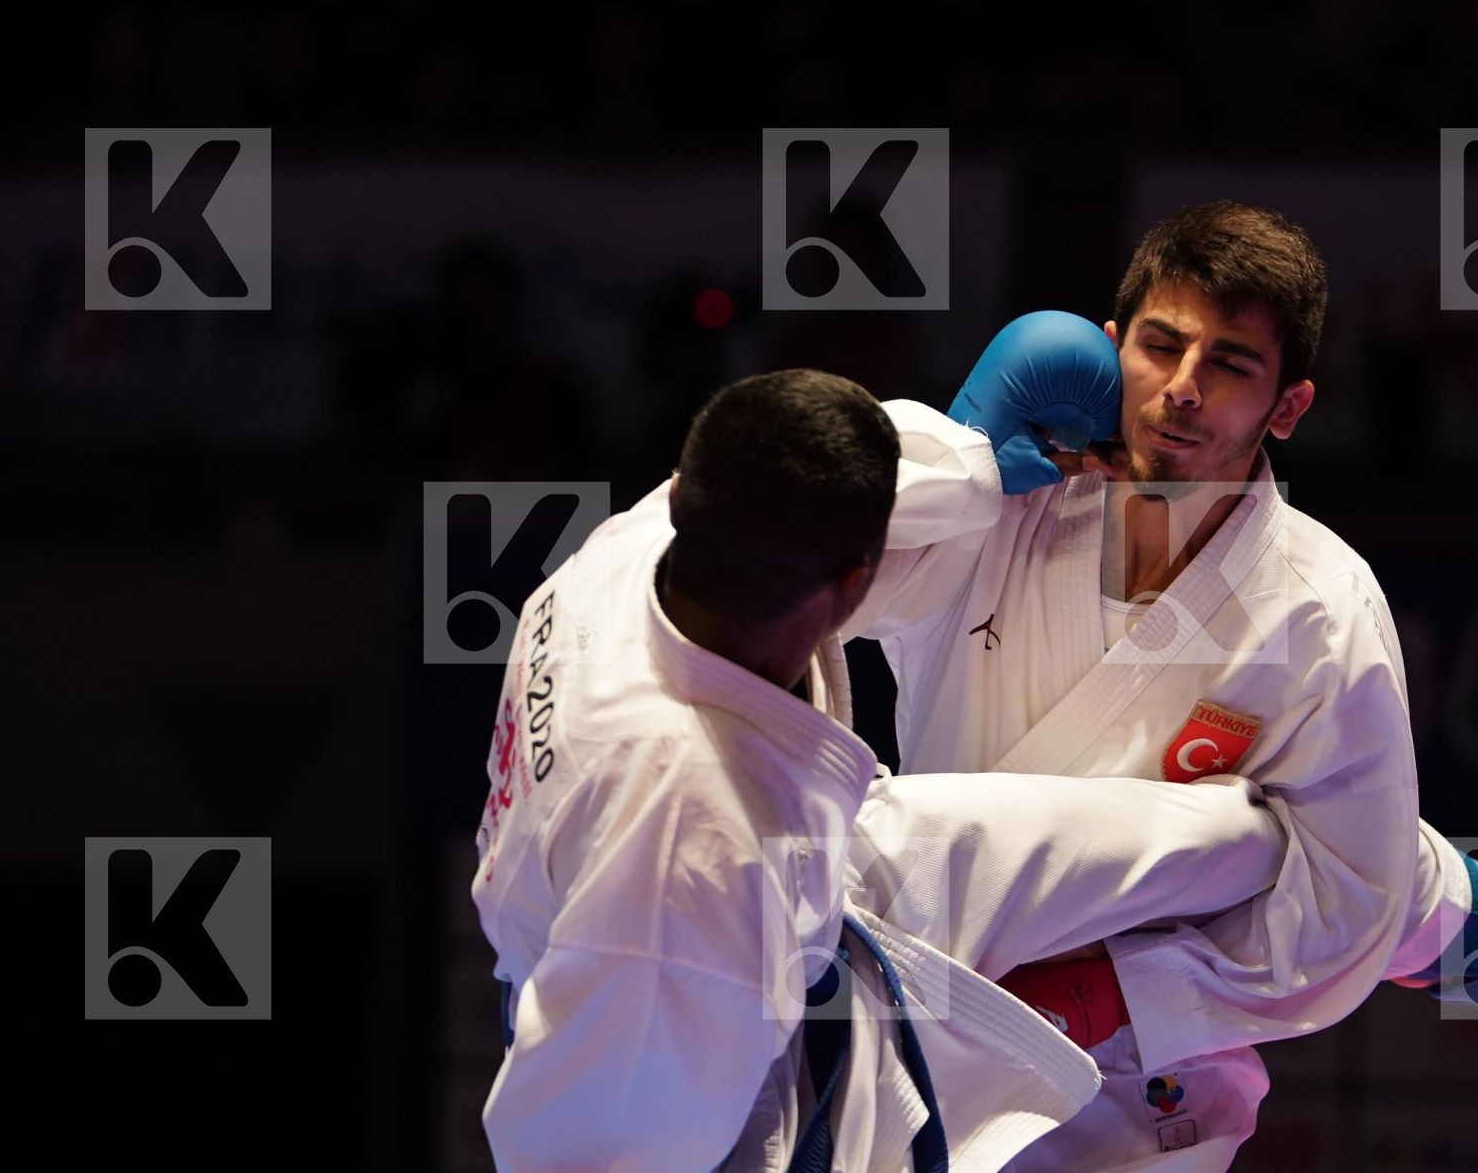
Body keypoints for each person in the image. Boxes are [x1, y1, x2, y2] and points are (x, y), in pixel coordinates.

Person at [840, 201, 1478, 1171]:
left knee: (1269, 847)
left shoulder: (1318, 612)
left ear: (1289, 406)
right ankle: (1474, 920)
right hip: (921, 1020)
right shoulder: (1000, 505)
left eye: (1230, 366)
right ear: (1113, 346)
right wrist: (950, 457)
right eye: (1159, 348)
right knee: (1237, 837)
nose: (1181, 391)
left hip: (1150, 1087)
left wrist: (1118, 991)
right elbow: (771, 560)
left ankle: (1475, 923)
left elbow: (1342, 909)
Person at [469, 367, 1304, 1172]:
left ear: (684, 491)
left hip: (736, 913)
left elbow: (806, 477)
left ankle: (1407, 898)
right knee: (1155, 855)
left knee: (1203, 835)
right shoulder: (693, 859)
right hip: (714, 1083)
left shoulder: (623, 555)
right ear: (856, 582)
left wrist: (967, 457)